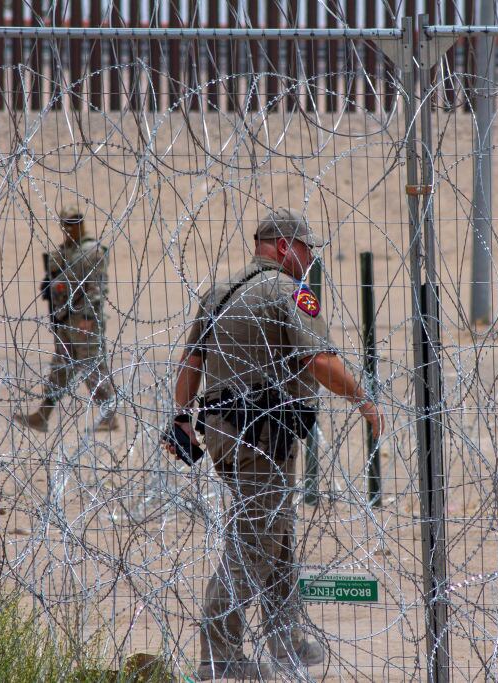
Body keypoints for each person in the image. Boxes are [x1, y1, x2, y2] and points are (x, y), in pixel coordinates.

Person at [168, 208, 385, 680]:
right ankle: (219, 656)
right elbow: (320, 363)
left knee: (276, 534)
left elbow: (191, 363)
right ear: (284, 247)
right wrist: (363, 398)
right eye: (306, 249)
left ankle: (285, 638)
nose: (310, 259)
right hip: (264, 438)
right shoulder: (289, 291)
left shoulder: (220, 292)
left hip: (224, 433)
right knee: (255, 543)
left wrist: (182, 420)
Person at [15, 206, 118, 432]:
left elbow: (97, 288)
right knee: (60, 368)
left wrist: (89, 316)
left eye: (76, 222)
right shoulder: (65, 252)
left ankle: (109, 415)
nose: (72, 228)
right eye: (68, 224)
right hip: (65, 319)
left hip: (84, 319)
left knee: (92, 366)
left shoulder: (92, 250)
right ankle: (42, 415)